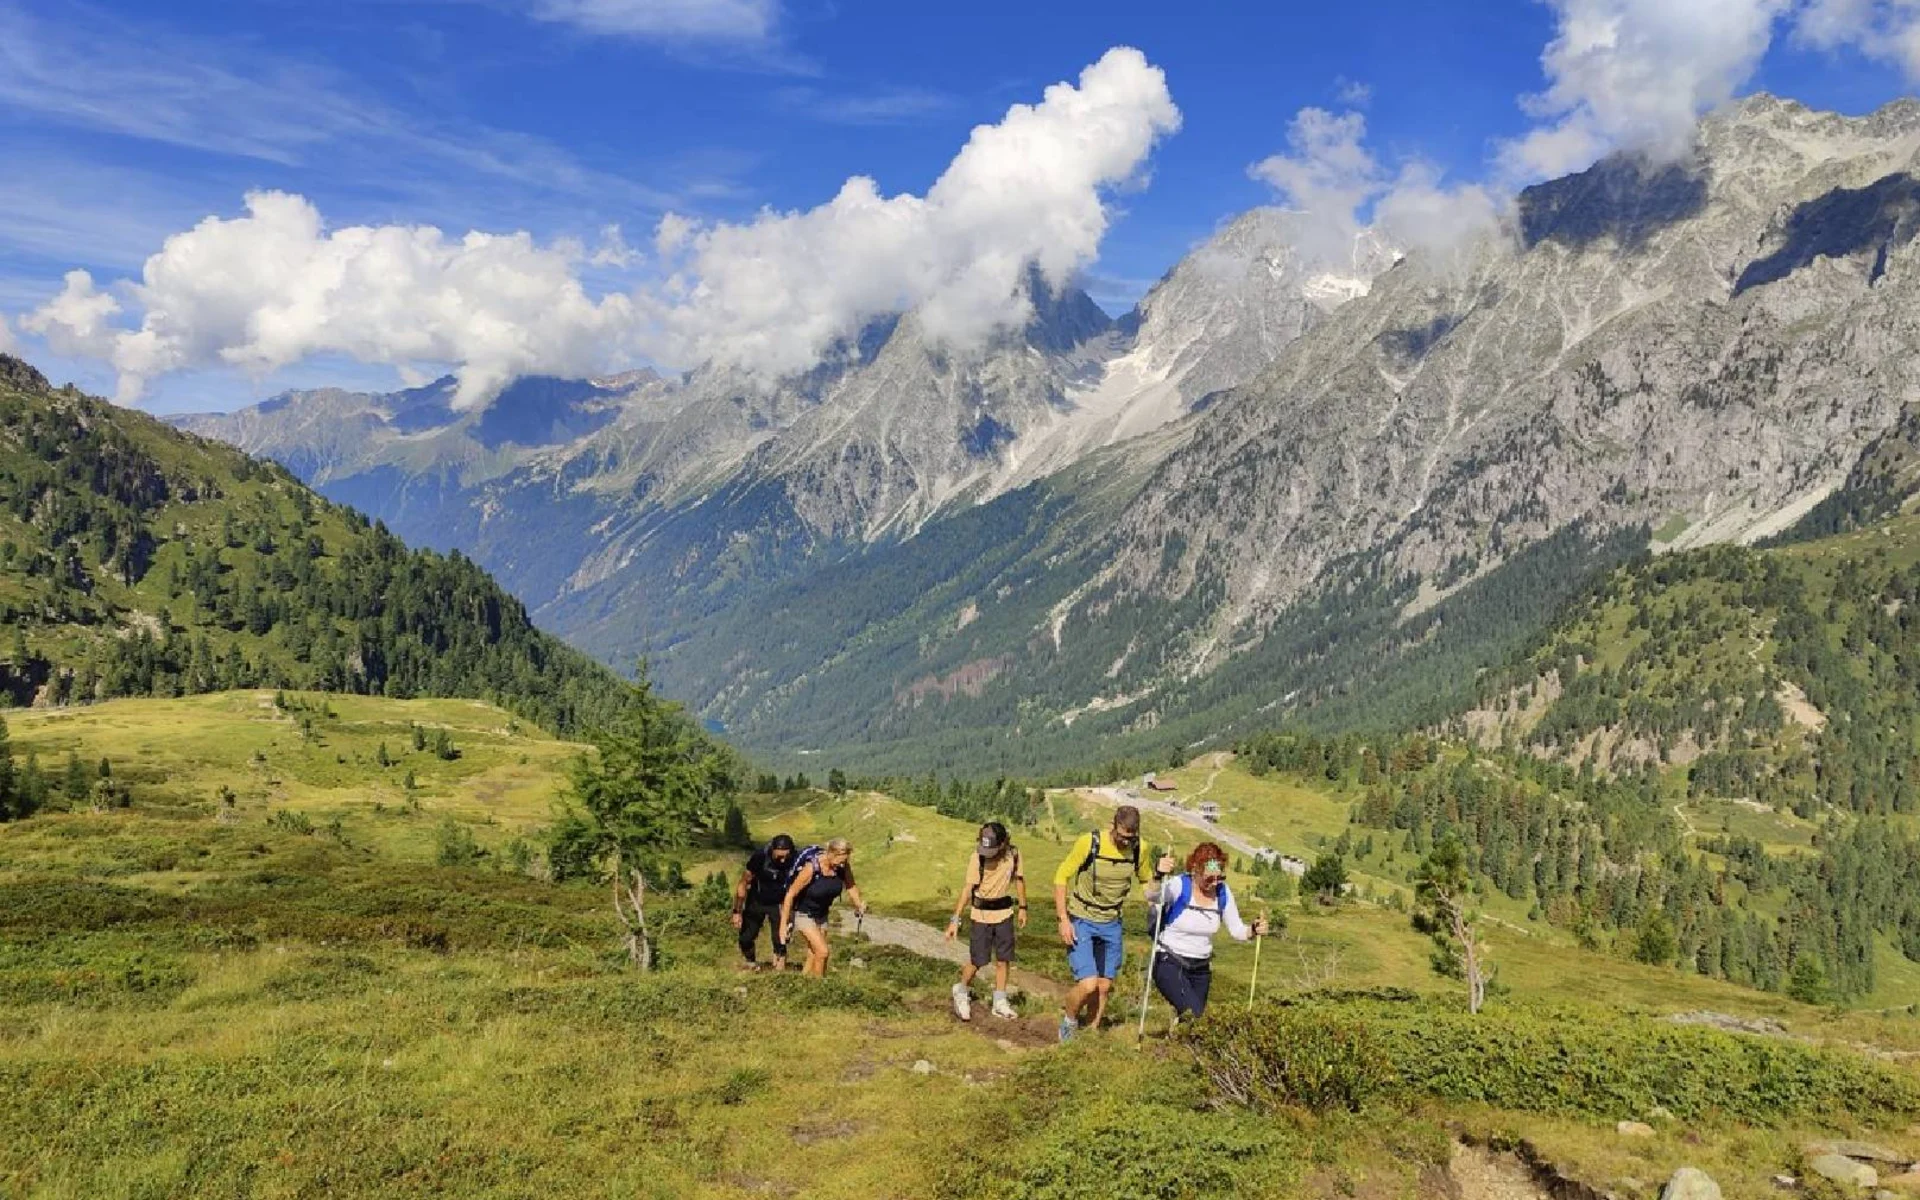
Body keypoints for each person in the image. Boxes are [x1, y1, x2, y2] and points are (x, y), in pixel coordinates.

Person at [1052, 805, 1175, 1042]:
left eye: (1130, 837)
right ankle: (1069, 1021)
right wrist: (1063, 919)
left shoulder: (1141, 848)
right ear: (1113, 825)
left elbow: (1148, 889)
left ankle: (1090, 1034)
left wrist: (1158, 876)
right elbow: (1061, 877)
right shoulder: (1089, 842)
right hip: (1082, 917)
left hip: (1112, 920)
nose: (1125, 842)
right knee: (1088, 985)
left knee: (1104, 986)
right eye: (1121, 836)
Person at [1146, 842, 1267, 1021]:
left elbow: (1238, 931)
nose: (1214, 883)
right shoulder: (1180, 885)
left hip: (1201, 969)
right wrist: (1157, 875)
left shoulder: (1222, 893)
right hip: (1169, 961)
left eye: (1219, 877)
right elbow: (1153, 896)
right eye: (1209, 878)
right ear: (1195, 869)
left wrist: (1254, 930)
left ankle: (1174, 1044)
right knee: (1195, 1017)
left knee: (1193, 1020)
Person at [944, 821, 1027, 1021]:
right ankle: (961, 989)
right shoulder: (977, 858)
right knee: (978, 959)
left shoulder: (1013, 855)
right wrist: (955, 920)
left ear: (1002, 844)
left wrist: (1023, 907)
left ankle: (999, 1000)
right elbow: (967, 889)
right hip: (980, 915)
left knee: (1003, 959)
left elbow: (1020, 880)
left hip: (1004, 913)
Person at [780, 837, 867, 977]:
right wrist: (783, 926)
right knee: (823, 951)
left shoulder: (842, 867)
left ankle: (803, 983)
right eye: (841, 860)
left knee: (813, 953)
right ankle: (819, 988)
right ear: (831, 853)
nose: (843, 864)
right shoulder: (812, 868)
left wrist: (858, 904)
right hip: (803, 913)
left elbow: (850, 885)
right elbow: (790, 894)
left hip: (822, 914)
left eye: (846, 860)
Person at [732, 834, 796, 971]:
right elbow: (743, 883)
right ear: (772, 850)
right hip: (757, 899)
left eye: (786, 857)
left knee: (781, 938)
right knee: (746, 938)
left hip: (780, 902)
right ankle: (750, 962)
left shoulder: (795, 859)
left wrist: (792, 913)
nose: (783, 861)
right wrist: (737, 911)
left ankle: (779, 971)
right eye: (779, 857)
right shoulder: (760, 857)